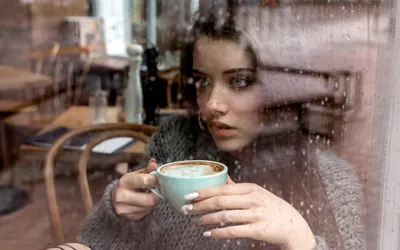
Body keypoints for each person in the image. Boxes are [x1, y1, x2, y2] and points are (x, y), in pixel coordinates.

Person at [77, 5, 365, 250]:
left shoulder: (332, 181)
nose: (212, 104)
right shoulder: (175, 142)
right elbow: (103, 243)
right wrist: (121, 214)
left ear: (282, 89)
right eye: (203, 81)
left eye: (239, 81)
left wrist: (301, 239)